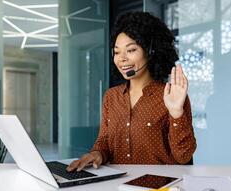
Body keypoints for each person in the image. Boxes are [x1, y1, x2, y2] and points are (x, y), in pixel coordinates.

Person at [67, 11, 196, 172]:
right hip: (117, 187)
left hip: (159, 190)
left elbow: (183, 156)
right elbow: (104, 140)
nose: (121, 58)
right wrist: (97, 153)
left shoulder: (172, 96)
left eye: (131, 50)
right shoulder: (111, 96)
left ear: (151, 52)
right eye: (116, 51)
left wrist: (176, 112)